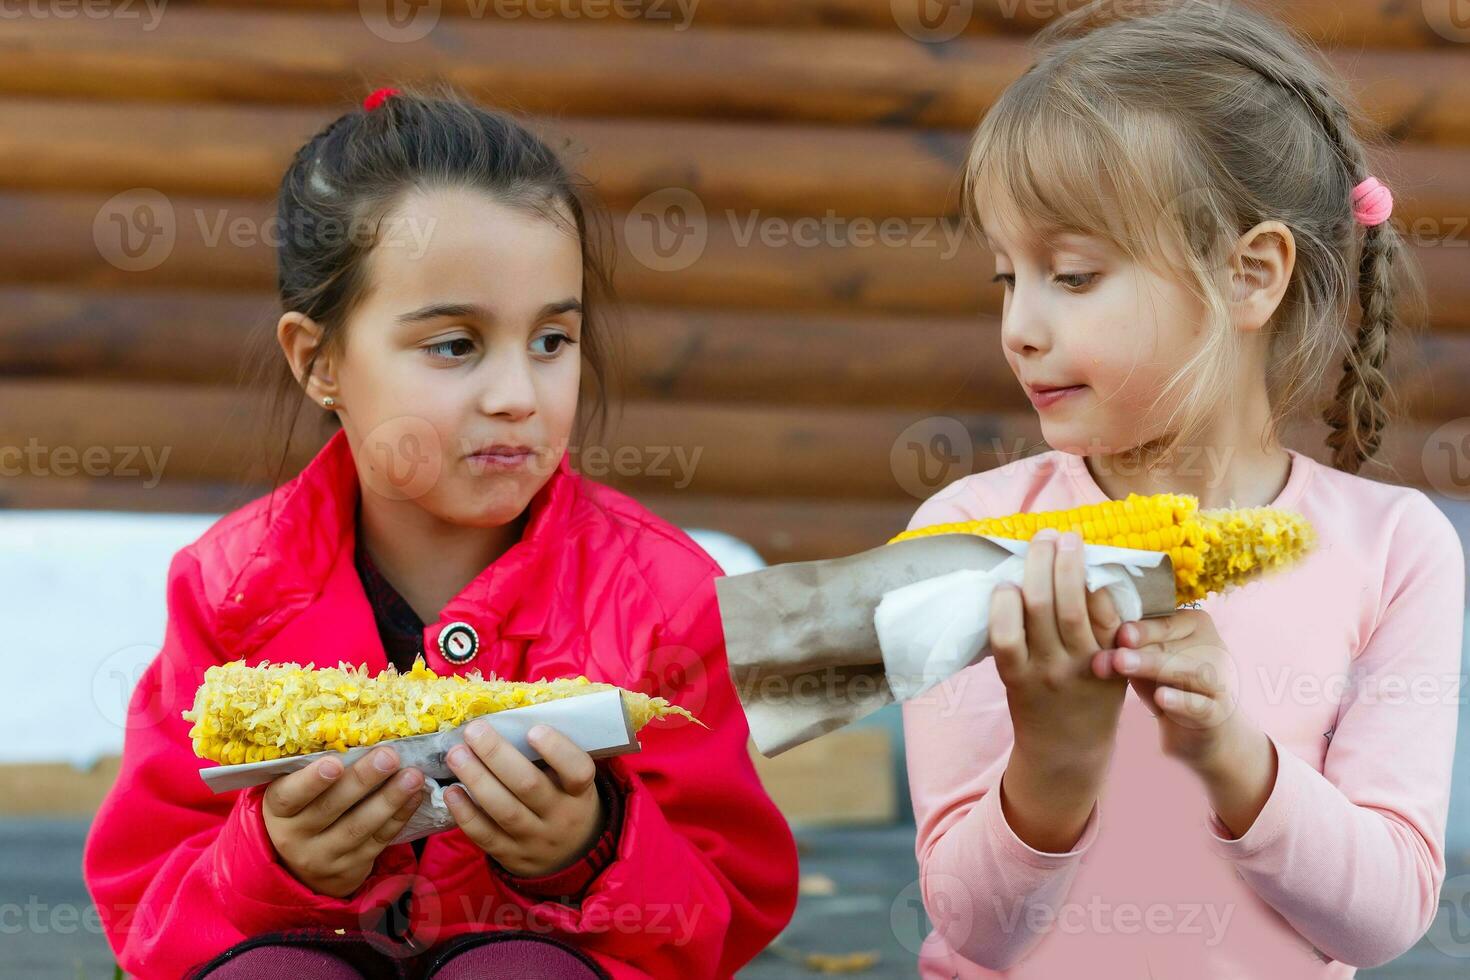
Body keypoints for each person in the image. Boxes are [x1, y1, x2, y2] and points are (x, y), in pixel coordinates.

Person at [83, 85, 798, 980]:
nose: (517, 395)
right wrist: (272, 865)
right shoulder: (229, 590)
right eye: (455, 345)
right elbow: (142, 906)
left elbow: (731, 908)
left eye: (551, 341)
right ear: (320, 361)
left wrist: (590, 849)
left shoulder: (661, 599)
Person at [901, 1, 1464, 976]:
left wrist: (1232, 753)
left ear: (1251, 275)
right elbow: (971, 924)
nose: (1020, 327)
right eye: (1007, 277)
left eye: (1072, 275)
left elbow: (1385, 919)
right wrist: (1056, 757)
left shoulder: (1395, 548)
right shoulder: (964, 535)